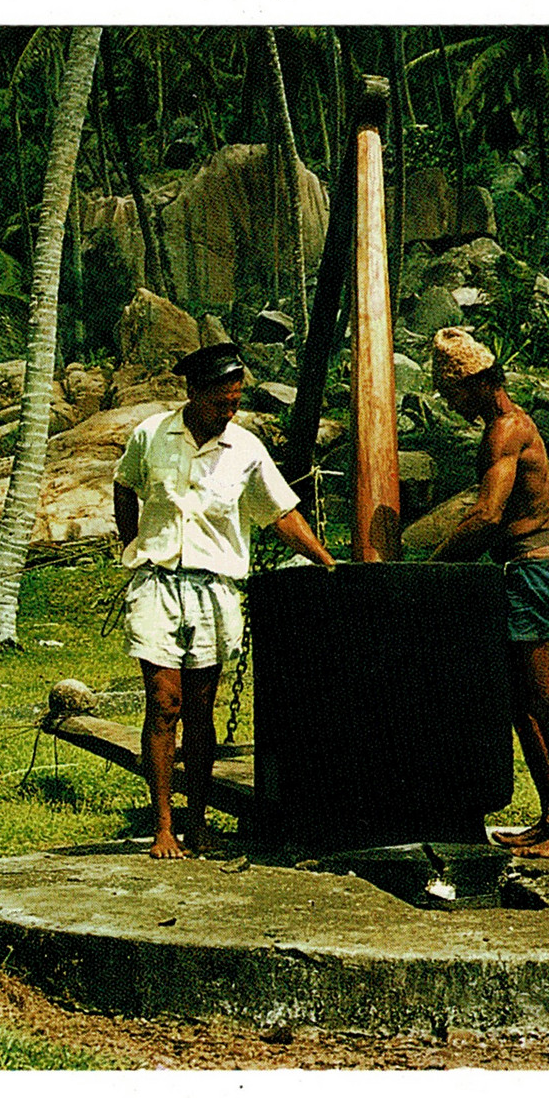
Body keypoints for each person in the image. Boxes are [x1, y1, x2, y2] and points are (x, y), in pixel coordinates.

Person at [113, 341, 336, 859]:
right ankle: (164, 826)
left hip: (215, 589)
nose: (228, 411)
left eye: (235, 402)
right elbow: (124, 485)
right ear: (194, 393)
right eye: (220, 402)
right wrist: (130, 545)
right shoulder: (151, 435)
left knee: (200, 709)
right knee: (162, 704)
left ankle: (198, 823)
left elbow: (281, 513)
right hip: (158, 583)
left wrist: (328, 564)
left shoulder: (246, 450)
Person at [426, 327, 549, 858]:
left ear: (476, 382)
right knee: (520, 704)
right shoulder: (499, 428)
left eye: (452, 394)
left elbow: (486, 514)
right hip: (518, 571)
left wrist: (433, 569)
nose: (452, 405)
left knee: (547, 700)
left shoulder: (507, 431)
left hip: (535, 571)